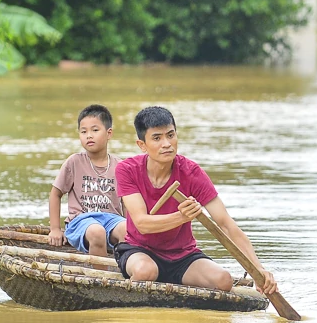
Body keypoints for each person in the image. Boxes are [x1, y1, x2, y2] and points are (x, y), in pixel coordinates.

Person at [113, 106, 279, 296]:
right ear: (142, 145)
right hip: (139, 250)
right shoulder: (127, 169)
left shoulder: (191, 172)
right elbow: (142, 224)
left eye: (170, 135)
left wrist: (258, 270)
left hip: (182, 255)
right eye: (157, 138)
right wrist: (181, 217)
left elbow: (226, 224)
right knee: (146, 271)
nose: (167, 144)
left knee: (223, 281)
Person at [47, 104, 126, 257]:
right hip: (81, 220)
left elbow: (127, 202)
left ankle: (125, 271)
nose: (89, 135)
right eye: (84, 132)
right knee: (97, 232)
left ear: (109, 133)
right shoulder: (74, 162)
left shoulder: (120, 166)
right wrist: (55, 229)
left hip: (112, 219)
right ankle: (99, 278)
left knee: (128, 230)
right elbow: (55, 194)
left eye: (95, 130)